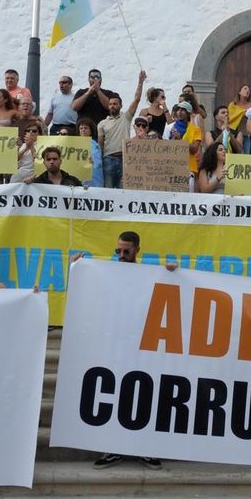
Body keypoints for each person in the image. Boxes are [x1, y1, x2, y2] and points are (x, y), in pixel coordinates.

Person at [90, 231, 164, 470]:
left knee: (143, 396)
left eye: (126, 251)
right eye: (118, 251)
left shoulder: (148, 275)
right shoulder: (106, 274)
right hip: (114, 346)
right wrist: (79, 268)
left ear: (137, 251)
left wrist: (173, 274)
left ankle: (144, 448)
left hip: (142, 346)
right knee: (114, 396)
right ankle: (113, 449)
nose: (121, 255)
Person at [97, 70, 146, 189]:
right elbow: (100, 145)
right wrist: (100, 161)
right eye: (110, 104)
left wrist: (140, 82)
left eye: (115, 104)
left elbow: (136, 99)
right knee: (108, 190)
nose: (112, 106)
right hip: (108, 159)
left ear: (120, 106)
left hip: (125, 159)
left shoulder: (126, 117)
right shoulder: (102, 123)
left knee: (123, 190)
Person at [76, 119, 104, 188]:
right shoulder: (74, 144)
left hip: (93, 178)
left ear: (91, 130)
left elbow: (97, 163)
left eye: (86, 128)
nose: (83, 130)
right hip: (78, 176)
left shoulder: (95, 145)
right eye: (81, 128)